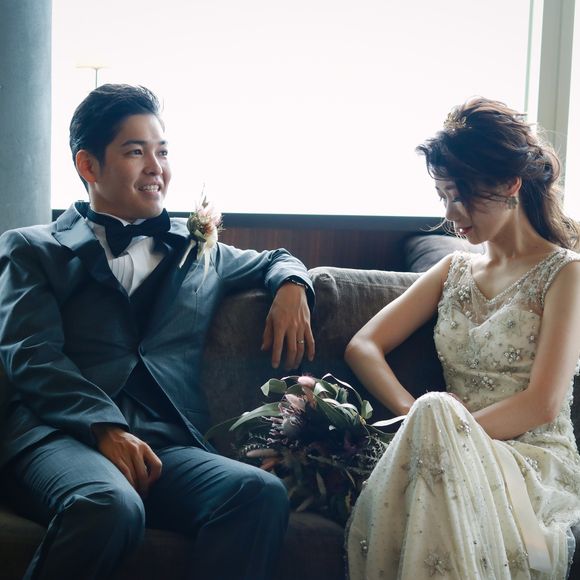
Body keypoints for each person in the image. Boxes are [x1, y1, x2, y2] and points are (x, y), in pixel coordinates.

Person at [0, 83, 316, 580]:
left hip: (166, 446)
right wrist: (104, 428)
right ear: (88, 166)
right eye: (136, 152)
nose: (156, 167)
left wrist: (294, 285)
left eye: (162, 152)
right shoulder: (31, 249)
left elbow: (277, 258)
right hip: (58, 437)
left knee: (256, 493)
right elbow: (31, 354)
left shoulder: (199, 248)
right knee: (109, 505)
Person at [345, 97, 580, 579]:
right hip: (442, 449)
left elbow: (543, 404)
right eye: (443, 197)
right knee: (433, 413)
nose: (452, 213)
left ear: (510, 184)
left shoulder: (566, 274)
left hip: (528, 458)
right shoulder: (452, 269)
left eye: (462, 195)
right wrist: (418, 418)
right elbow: (363, 346)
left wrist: (449, 431)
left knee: (436, 419)